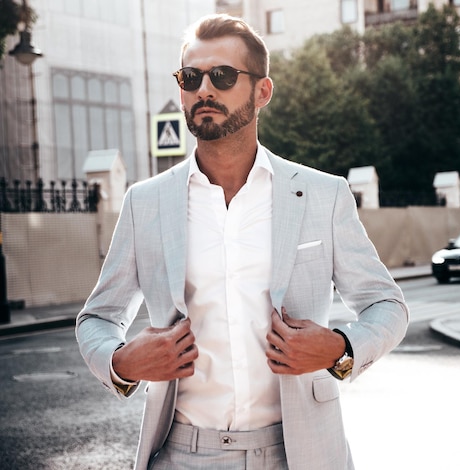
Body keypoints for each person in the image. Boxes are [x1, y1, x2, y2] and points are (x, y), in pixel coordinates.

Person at [76, 13, 408, 470]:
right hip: (182, 453)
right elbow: (98, 316)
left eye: (223, 76)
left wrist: (340, 349)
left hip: (298, 453)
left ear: (262, 91)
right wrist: (121, 361)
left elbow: (386, 304)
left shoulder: (322, 195)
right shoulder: (145, 203)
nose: (204, 90)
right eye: (191, 77)